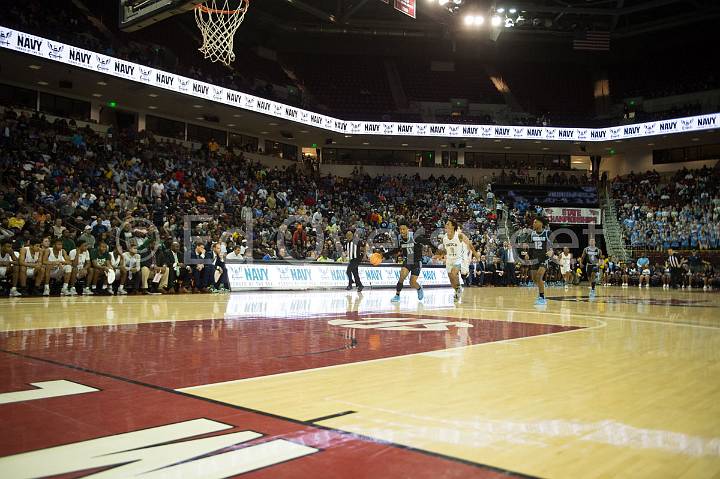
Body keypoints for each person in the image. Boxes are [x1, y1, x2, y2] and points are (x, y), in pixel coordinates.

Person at [389, 222, 431, 303]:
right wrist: (384, 255)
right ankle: (397, 295)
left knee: (412, 283)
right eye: (400, 229)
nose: (402, 231)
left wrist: (436, 249)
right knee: (402, 277)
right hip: (408, 260)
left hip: (417, 261)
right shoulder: (400, 238)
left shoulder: (415, 237)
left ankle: (419, 288)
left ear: (408, 229)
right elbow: (396, 250)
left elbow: (428, 242)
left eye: (404, 229)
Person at [440, 219, 478, 302]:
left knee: (454, 273)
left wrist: (476, 255)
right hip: (449, 259)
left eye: (448, 224)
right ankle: (457, 290)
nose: (446, 225)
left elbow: (470, 245)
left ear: (453, 226)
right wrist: (440, 256)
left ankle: (459, 286)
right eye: (446, 224)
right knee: (451, 279)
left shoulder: (459, 235)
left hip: (458, 258)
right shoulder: (444, 238)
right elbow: (445, 250)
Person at [528, 216, 554, 305]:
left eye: (535, 222)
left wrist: (552, 251)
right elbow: (531, 246)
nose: (533, 224)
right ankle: (542, 284)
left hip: (544, 258)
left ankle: (542, 297)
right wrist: (528, 254)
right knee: (535, 279)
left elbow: (556, 244)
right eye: (533, 222)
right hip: (535, 259)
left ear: (541, 223)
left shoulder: (547, 233)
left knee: (539, 276)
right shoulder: (532, 234)